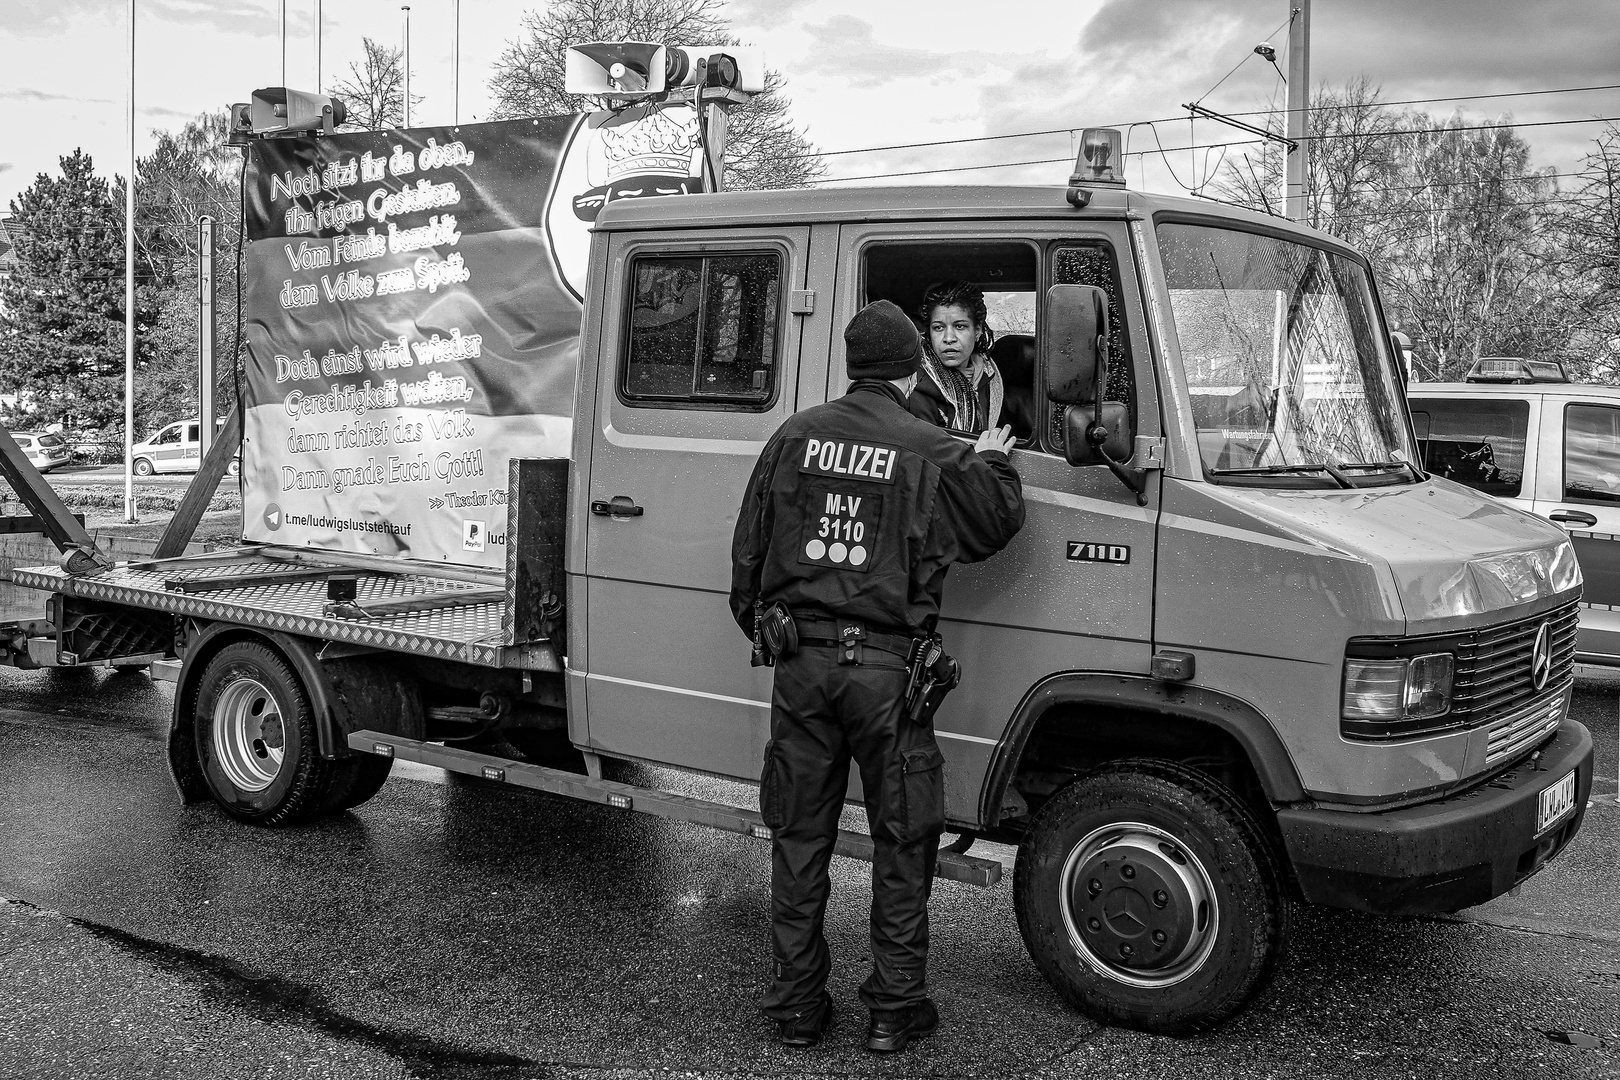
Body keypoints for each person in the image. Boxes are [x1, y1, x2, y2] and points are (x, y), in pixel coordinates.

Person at [730, 299, 1025, 1053]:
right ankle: (894, 1009)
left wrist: (787, 636)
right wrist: (991, 453)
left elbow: (746, 568)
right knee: (903, 841)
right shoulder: (933, 446)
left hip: (803, 668)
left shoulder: (792, 438)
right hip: (891, 680)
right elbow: (997, 520)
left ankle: (796, 1007)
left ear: (854, 365)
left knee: (798, 838)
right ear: (908, 368)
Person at [908, 280, 1005, 435]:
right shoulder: (915, 386)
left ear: (977, 330)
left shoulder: (991, 378)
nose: (948, 338)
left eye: (960, 326)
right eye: (938, 328)